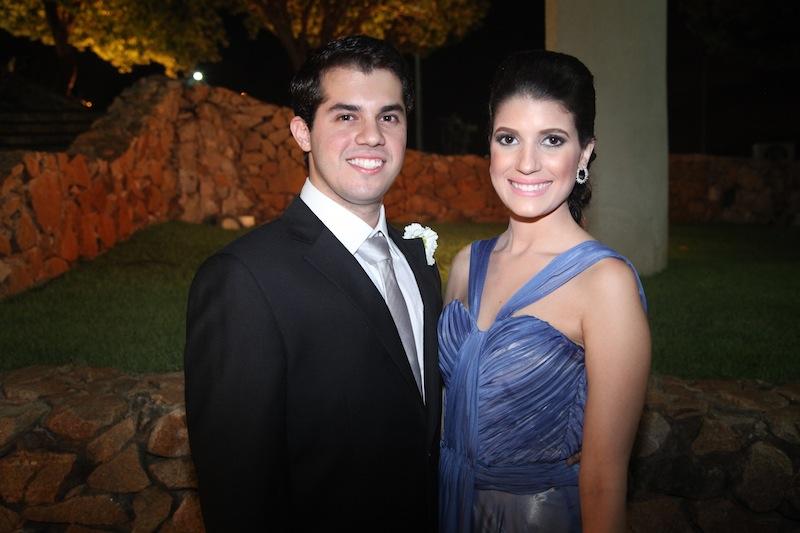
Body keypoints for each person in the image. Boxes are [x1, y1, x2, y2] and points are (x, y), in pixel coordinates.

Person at [184, 35, 442, 532]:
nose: (372, 136)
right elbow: (239, 493)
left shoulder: (418, 260)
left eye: (389, 117)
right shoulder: (244, 280)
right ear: (302, 132)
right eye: (346, 116)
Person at [438, 50, 651, 533]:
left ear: (585, 153)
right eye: (508, 138)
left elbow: (603, 480)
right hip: (449, 508)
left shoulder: (605, 284)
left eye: (552, 140)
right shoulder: (467, 263)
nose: (526, 163)